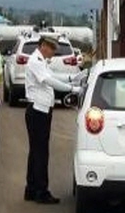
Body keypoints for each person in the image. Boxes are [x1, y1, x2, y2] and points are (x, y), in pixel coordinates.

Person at [24, 35, 82, 204]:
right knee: (41, 152)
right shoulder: (35, 61)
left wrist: (73, 78)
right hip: (38, 110)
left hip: (41, 109)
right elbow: (49, 81)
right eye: (52, 48)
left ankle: (31, 188)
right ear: (43, 46)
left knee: (36, 151)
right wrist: (73, 89)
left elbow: (54, 76)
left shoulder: (41, 61)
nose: (54, 52)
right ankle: (41, 191)